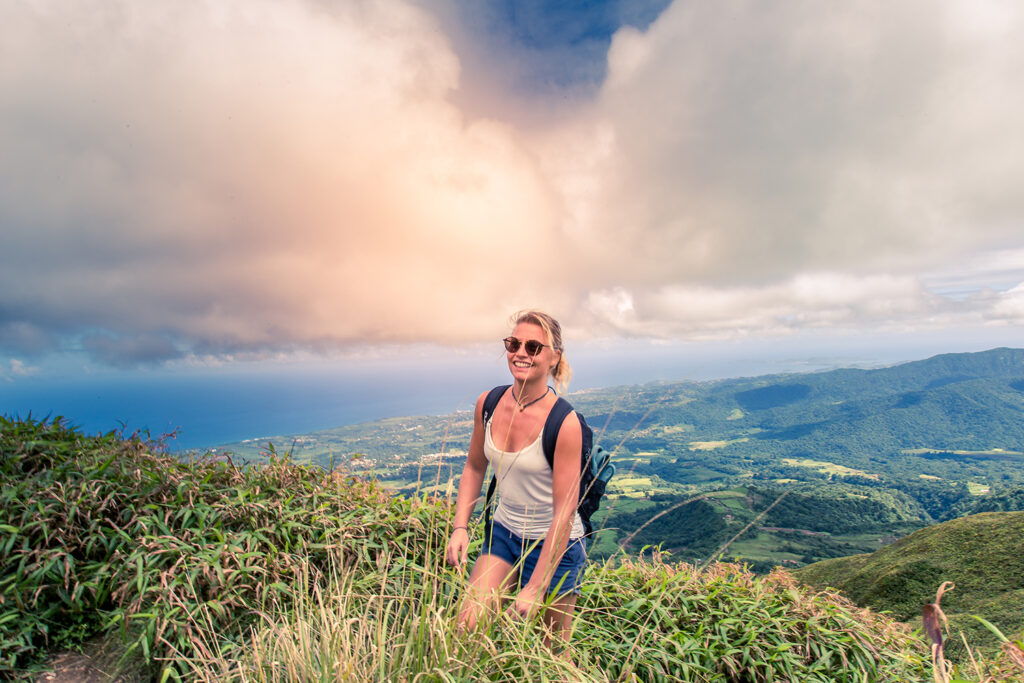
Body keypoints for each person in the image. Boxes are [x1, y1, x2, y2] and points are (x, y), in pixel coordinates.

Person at [445, 310, 588, 647]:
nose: (521, 353)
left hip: (556, 546)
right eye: (514, 343)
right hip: (504, 533)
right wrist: (460, 527)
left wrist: (535, 587)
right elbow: (474, 466)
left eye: (534, 347)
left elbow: (564, 513)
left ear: (554, 358)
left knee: (550, 653)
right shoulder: (489, 403)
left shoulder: (565, 423)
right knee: (466, 631)